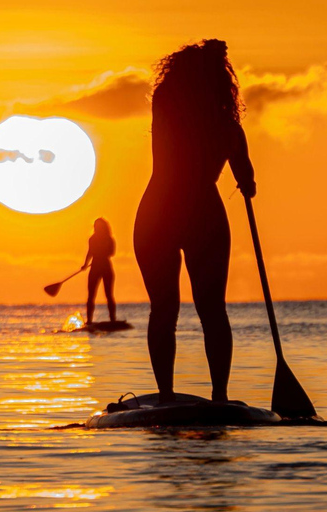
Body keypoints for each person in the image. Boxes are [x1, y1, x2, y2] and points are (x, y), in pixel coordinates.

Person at [133, 39, 256, 403]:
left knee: (167, 309)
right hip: (199, 214)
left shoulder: (167, 106)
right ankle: (216, 395)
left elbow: (246, 179)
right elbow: (247, 182)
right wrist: (245, 179)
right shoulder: (230, 130)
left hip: (160, 212)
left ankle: (170, 394)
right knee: (209, 310)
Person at [81, 218, 117, 324]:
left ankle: (113, 320)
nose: (97, 228)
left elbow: (112, 252)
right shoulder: (92, 239)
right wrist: (85, 264)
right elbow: (90, 252)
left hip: (106, 267)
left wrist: (101, 254)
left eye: (99, 226)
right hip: (95, 267)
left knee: (109, 294)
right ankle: (89, 321)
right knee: (91, 295)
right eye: (96, 226)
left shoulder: (110, 239)